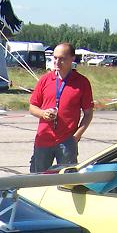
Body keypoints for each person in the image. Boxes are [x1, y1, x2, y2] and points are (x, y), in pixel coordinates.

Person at [27, 43, 94, 173]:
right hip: (44, 139)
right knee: (38, 177)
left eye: (62, 59)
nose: (57, 62)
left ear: (72, 58)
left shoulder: (82, 82)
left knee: (66, 179)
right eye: (55, 58)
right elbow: (32, 107)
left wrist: (76, 136)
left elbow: (88, 114)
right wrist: (43, 113)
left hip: (67, 141)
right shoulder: (45, 80)